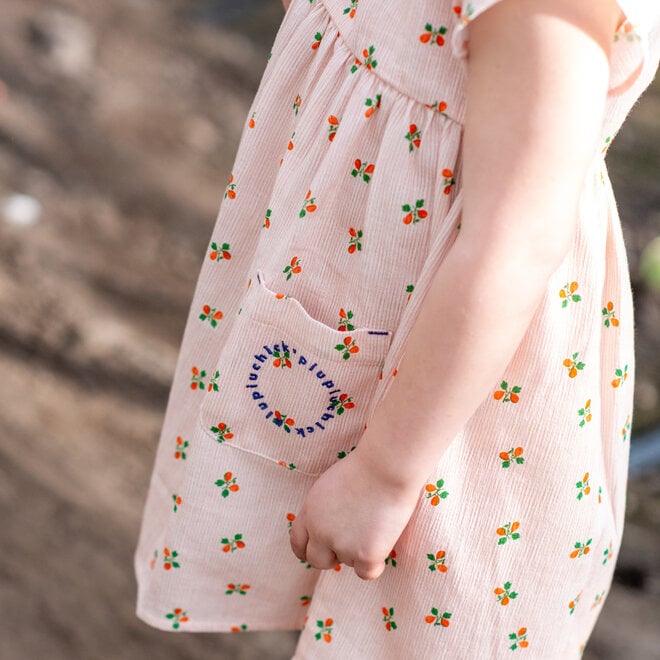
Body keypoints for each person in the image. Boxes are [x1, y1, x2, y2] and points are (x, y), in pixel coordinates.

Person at [133, 0, 659, 656]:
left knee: (422, 628)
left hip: (457, 393)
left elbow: (515, 241)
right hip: (351, 315)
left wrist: (385, 473)